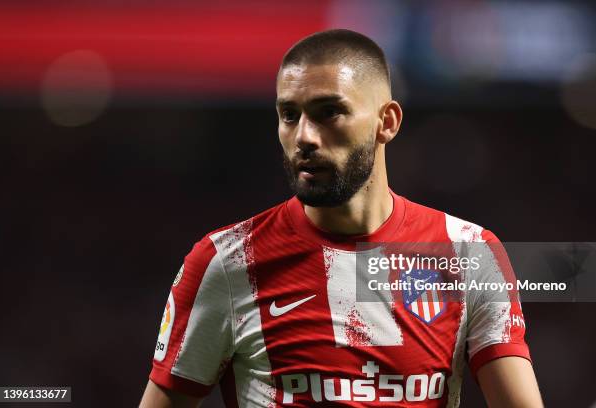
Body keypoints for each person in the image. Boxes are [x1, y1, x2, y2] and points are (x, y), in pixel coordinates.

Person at [140, 29, 543, 407]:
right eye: (289, 115)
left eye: (329, 112)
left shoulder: (467, 252)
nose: (304, 137)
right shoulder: (226, 263)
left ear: (387, 122)